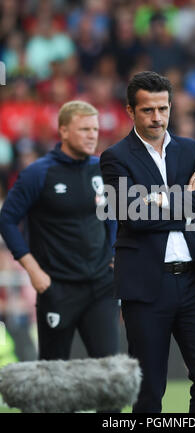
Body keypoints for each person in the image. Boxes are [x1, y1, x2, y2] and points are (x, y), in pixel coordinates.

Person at [100, 71, 195, 413]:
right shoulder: (115, 157)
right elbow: (132, 216)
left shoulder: (190, 149)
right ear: (130, 111)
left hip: (194, 282)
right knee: (149, 389)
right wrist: (186, 198)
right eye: (148, 110)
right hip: (144, 286)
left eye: (163, 108)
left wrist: (160, 200)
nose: (157, 117)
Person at [0, 100, 120, 361]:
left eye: (95, 130)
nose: (92, 136)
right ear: (63, 131)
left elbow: (112, 215)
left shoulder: (101, 169)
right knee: (54, 378)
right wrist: (32, 269)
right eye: (84, 129)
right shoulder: (38, 174)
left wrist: (114, 254)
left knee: (111, 372)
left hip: (100, 285)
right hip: (57, 287)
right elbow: (7, 220)